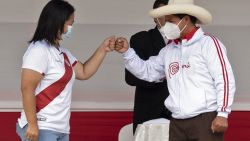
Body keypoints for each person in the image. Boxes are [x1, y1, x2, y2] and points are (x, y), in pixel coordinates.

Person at [114, 0, 236, 140]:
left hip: (204, 119)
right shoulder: (169, 50)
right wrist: (127, 52)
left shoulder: (208, 44)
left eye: (170, 21)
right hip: (177, 122)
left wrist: (222, 113)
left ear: (185, 19)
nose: (165, 26)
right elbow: (148, 71)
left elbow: (225, 79)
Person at [16, 0, 115, 141]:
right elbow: (27, 88)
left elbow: (84, 72)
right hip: (42, 126)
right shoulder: (39, 50)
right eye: (70, 23)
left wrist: (103, 49)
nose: (71, 27)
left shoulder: (63, 53)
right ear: (57, 22)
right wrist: (32, 125)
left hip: (60, 128)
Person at [125, 0, 171, 133]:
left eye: (171, 14)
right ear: (155, 17)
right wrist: (160, 77)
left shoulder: (184, 41)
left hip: (179, 112)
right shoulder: (141, 39)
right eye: (163, 14)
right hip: (150, 110)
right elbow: (131, 78)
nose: (167, 18)